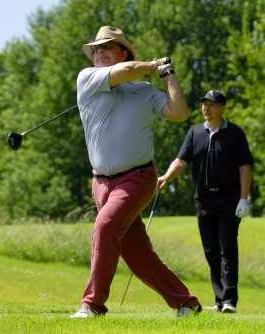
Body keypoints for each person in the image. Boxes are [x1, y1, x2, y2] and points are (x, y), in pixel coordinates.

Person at [71, 25, 201, 318]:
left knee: (105, 228)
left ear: (123, 51)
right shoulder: (87, 78)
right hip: (101, 183)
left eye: (107, 46)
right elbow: (126, 71)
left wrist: (168, 75)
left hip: (138, 177)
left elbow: (179, 113)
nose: (99, 51)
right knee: (138, 255)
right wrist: (154, 65)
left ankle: (92, 305)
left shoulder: (143, 91)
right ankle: (186, 303)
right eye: (96, 48)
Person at [157, 89, 253, 313]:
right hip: (204, 199)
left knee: (227, 249)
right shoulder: (195, 133)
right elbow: (181, 161)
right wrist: (166, 177)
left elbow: (245, 167)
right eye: (203, 104)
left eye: (210, 104)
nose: (205, 108)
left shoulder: (235, 134)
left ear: (222, 107)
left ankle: (230, 300)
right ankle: (220, 300)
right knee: (211, 251)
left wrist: (244, 198)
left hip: (229, 199)